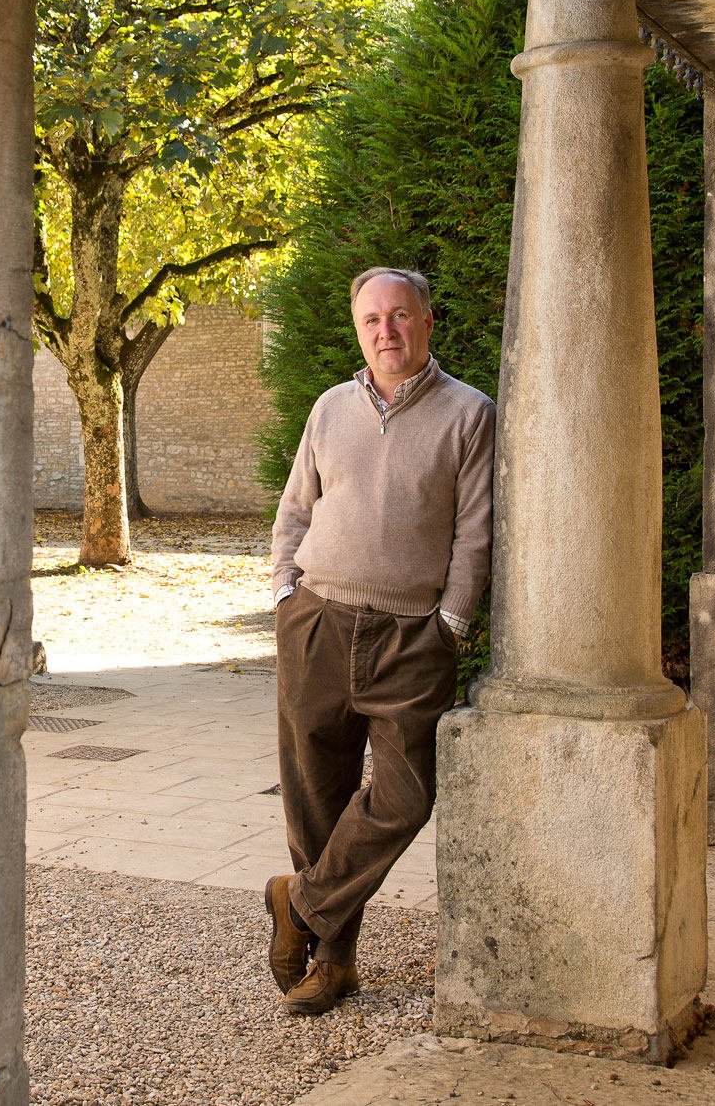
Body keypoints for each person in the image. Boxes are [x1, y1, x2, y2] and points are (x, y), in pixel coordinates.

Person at [264, 266, 494, 1015]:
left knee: (404, 796)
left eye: (400, 317)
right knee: (315, 798)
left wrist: (451, 625)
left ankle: (297, 904)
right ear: (357, 329)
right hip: (318, 624)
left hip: (409, 639)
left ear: (428, 323)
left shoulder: (469, 414)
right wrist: (283, 595)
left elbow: (475, 532)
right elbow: (295, 509)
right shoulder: (330, 409)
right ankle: (333, 963)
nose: (386, 332)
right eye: (372, 320)